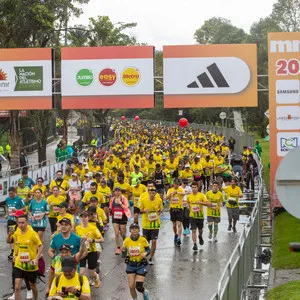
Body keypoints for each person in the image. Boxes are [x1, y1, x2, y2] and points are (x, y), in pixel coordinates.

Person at [12, 213, 43, 300]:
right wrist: (15, 254)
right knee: (17, 286)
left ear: (27, 222)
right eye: (19, 223)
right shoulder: (17, 231)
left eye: (23, 223)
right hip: (19, 263)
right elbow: (16, 243)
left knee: (32, 285)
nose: (21, 225)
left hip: (30, 264)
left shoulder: (33, 234)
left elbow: (41, 246)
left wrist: (36, 259)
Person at [6, 210, 33, 300]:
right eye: (16, 218)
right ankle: (15, 292)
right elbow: (9, 241)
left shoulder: (29, 228)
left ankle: (29, 290)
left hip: (27, 255)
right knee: (15, 275)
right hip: (16, 257)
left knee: (26, 275)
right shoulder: (13, 227)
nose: (16, 219)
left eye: (18, 217)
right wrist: (9, 234)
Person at [122, 223, 150, 300]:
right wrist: (123, 251)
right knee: (131, 286)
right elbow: (123, 255)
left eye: (136, 228)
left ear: (138, 230)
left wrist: (146, 253)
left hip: (141, 264)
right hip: (131, 265)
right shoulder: (126, 240)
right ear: (130, 230)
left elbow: (148, 250)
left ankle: (144, 292)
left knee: (139, 286)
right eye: (132, 228)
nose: (134, 230)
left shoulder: (143, 239)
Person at [75, 210, 103, 288]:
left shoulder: (93, 228)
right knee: (81, 272)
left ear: (88, 218)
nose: (84, 219)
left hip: (92, 251)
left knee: (91, 272)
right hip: (82, 252)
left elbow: (102, 239)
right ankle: (82, 288)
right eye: (82, 217)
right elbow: (76, 240)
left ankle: (96, 277)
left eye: (85, 217)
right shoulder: (77, 228)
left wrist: (92, 240)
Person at [138, 186, 163, 265]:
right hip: (146, 224)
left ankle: (151, 257)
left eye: (153, 193)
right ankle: (145, 256)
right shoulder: (143, 200)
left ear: (155, 193)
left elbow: (161, 209)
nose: (152, 194)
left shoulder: (159, 200)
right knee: (145, 242)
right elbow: (140, 211)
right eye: (150, 193)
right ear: (148, 193)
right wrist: (144, 210)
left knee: (154, 241)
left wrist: (159, 211)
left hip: (155, 225)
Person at [187, 182, 211, 250]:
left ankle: (200, 236)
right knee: (193, 230)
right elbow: (188, 202)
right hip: (192, 216)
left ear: (198, 188)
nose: (194, 189)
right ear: (191, 188)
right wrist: (188, 206)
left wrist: (200, 202)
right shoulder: (189, 196)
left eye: (195, 187)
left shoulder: (201, 195)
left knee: (200, 230)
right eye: (192, 187)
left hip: (200, 216)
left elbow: (209, 204)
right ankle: (195, 244)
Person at [5, 187, 26, 260]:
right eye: (9, 193)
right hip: (10, 220)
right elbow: (7, 207)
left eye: (12, 193)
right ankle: (12, 251)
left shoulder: (19, 199)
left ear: (15, 192)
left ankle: (19, 249)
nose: (10, 195)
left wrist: (17, 210)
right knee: (11, 234)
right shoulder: (7, 199)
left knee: (18, 234)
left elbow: (24, 208)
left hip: (18, 220)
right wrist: (7, 214)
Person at [109, 186, 130, 255]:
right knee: (116, 233)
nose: (117, 192)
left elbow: (126, 208)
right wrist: (110, 211)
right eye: (116, 191)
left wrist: (120, 203)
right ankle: (118, 248)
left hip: (123, 217)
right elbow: (110, 207)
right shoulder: (112, 199)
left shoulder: (124, 198)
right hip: (115, 217)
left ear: (120, 192)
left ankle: (125, 243)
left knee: (123, 234)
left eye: (118, 191)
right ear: (114, 192)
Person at [166, 178, 186, 246]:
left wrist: (177, 192)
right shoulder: (170, 190)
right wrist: (171, 194)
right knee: (174, 225)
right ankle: (175, 234)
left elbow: (184, 193)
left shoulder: (180, 189)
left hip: (179, 208)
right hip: (172, 209)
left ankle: (179, 238)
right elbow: (166, 198)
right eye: (175, 184)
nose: (176, 185)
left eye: (177, 184)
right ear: (173, 183)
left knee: (179, 224)